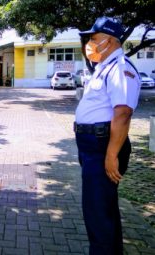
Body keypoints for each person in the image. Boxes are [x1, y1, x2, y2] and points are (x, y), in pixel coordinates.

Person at [75, 17, 141, 255]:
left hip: (103, 147)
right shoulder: (105, 67)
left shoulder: (120, 68)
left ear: (110, 41)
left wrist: (112, 154)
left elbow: (122, 112)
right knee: (104, 209)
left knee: (97, 214)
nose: (89, 43)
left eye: (94, 38)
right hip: (94, 146)